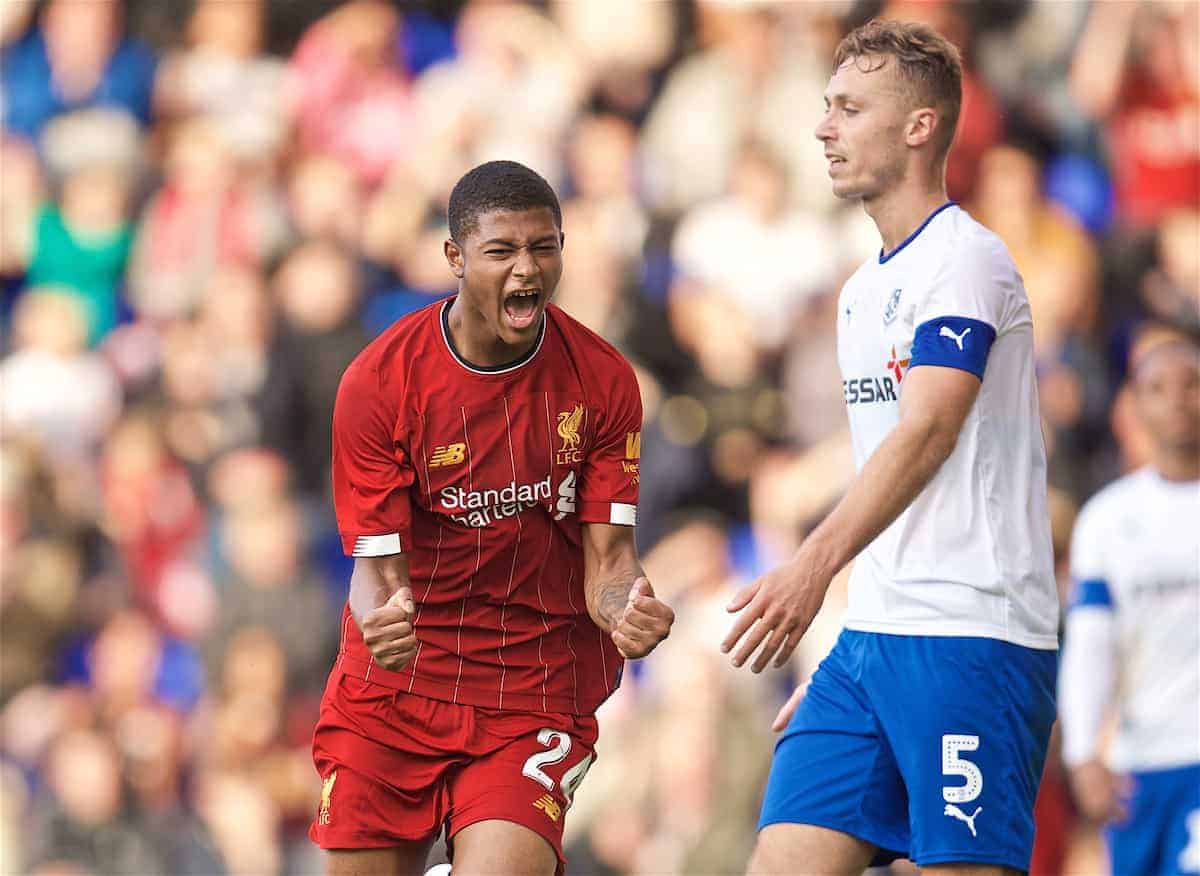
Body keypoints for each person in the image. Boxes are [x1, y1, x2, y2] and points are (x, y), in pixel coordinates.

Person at [722, 20, 1059, 875]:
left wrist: (810, 568)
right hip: (871, 643)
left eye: (848, 107)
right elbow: (889, 464)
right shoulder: (861, 292)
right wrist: (854, 639)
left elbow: (930, 431)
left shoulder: (969, 262)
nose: (823, 127)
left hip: (974, 639)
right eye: (826, 106)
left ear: (920, 127)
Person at [308, 160, 674, 876]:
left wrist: (627, 607)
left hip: (532, 686)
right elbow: (376, 573)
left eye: (543, 247)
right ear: (454, 258)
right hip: (400, 688)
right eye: (500, 251)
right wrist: (382, 625)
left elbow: (609, 562)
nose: (525, 269)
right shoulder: (380, 383)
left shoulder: (601, 380)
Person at [1058, 328, 1200, 876]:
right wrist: (1082, 753)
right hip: (1140, 767)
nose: (1178, 400)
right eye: (1158, 387)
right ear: (1135, 406)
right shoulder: (1108, 520)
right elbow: (1091, 646)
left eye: (1193, 384)